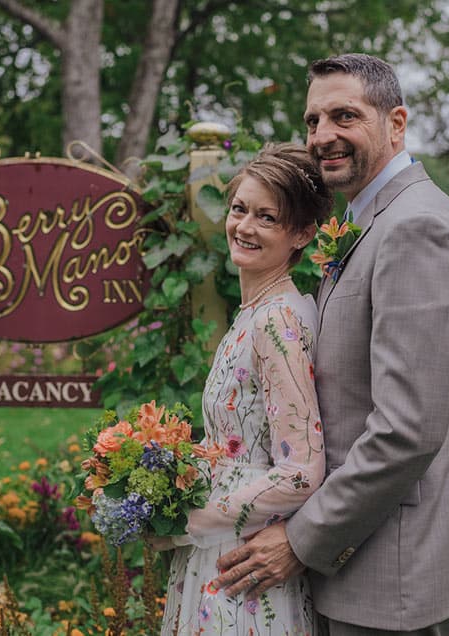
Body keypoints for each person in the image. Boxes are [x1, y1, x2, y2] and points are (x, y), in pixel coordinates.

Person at [212, 53, 449, 635]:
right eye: (313, 121)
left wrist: (300, 540)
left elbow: (407, 430)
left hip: (392, 568)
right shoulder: (370, 221)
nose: (323, 136)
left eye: (344, 116)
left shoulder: (418, 228)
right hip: (362, 554)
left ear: (396, 122)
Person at [152, 143, 334, 634]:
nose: (244, 227)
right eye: (239, 209)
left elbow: (300, 471)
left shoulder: (277, 322)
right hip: (223, 545)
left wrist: (183, 522)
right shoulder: (256, 313)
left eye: (267, 217)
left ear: (301, 233)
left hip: (243, 568)